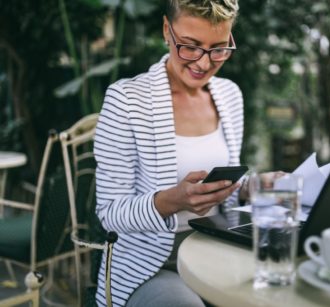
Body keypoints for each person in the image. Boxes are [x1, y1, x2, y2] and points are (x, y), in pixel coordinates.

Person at [93, 0, 242, 306]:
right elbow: (109, 213)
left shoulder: (230, 95)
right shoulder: (126, 100)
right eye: (190, 46)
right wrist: (170, 201)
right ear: (166, 29)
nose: (203, 63)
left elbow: (228, 194)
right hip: (149, 265)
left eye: (218, 48)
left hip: (218, 250)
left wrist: (253, 186)